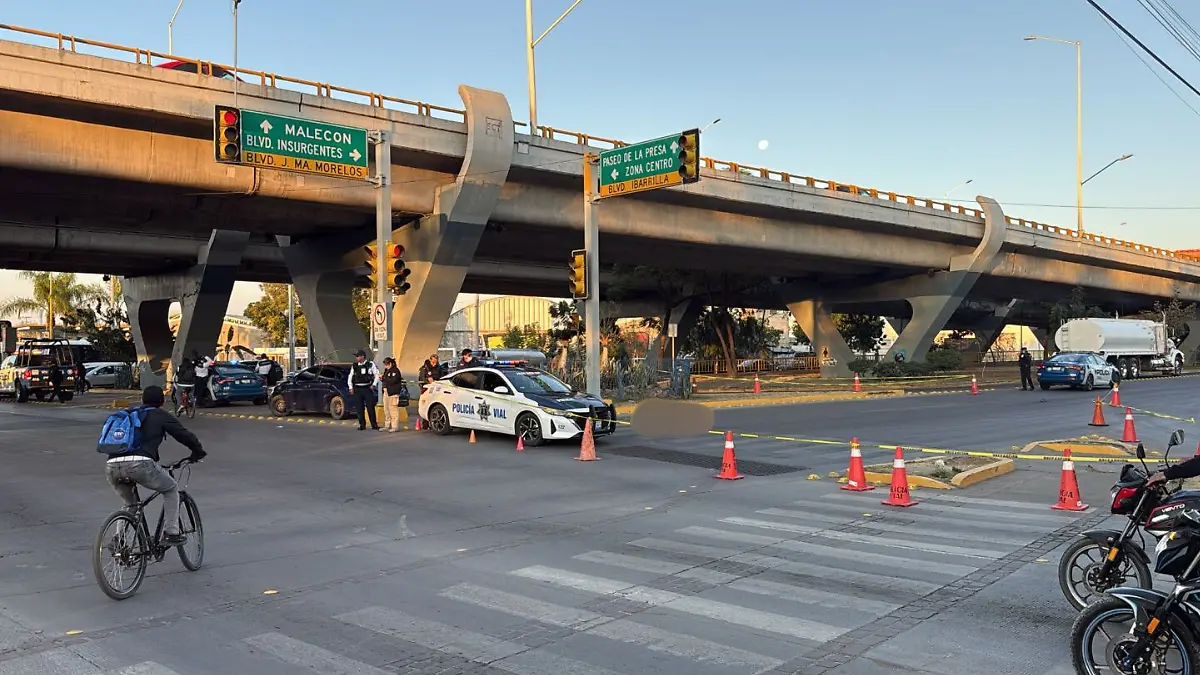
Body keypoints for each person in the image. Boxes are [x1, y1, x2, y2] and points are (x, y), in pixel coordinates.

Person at [103, 386, 206, 546]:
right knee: (171, 489)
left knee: (130, 503)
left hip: (112, 466)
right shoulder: (160, 415)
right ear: (162, 401)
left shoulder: (129, 414)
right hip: (140, 464)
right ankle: (171, 533)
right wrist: (197, 452)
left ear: (142, 400)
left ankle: (119, 540)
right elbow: (184, 435)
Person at [347, 349, 380, 431]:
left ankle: (374, 425)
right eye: (356, 356)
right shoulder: (354, 366)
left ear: (363, 357)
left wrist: (374, 385)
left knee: (370, 407)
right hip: (358, 389)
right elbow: (350, 377)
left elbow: (377, 375)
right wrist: (350, 387)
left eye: (358, 356)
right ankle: (362, 425)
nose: (356, 358)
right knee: (359, 408)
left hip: (367, 388)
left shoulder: (370, 364)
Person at [380, 357, 405, 433]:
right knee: (386, 409)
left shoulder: (395, 371)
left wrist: (385, 378)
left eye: (387, 364)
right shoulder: (386, 371)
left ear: (390, 363)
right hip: (386, 391)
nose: (385, 366)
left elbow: (393, 380)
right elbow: (386, 379)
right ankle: (387, 425)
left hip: (393, 392)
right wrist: (383, 378)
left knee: (393, 409)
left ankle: (395, 426)